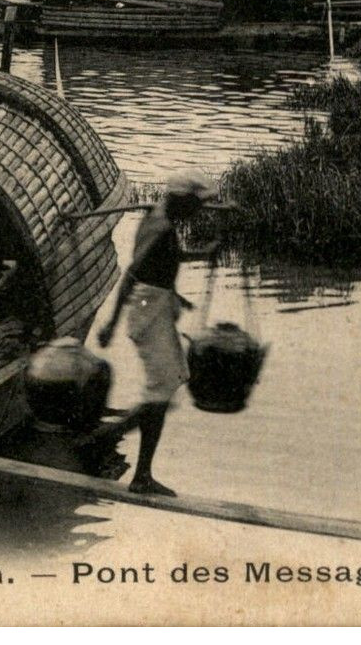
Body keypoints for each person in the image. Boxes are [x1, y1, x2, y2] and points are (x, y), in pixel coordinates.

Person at [86, 172, 221, 496]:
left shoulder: (157, 216)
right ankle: (127, 462)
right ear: (181, 204)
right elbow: (132, 274)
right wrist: (110, 324)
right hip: (147, 310)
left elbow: (164, 260)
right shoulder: (161, 229)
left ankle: (113, 444)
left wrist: (201, 255)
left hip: (154, 306)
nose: (198, 213)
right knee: (160, 393)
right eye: (196, 206)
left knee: (169, 383)